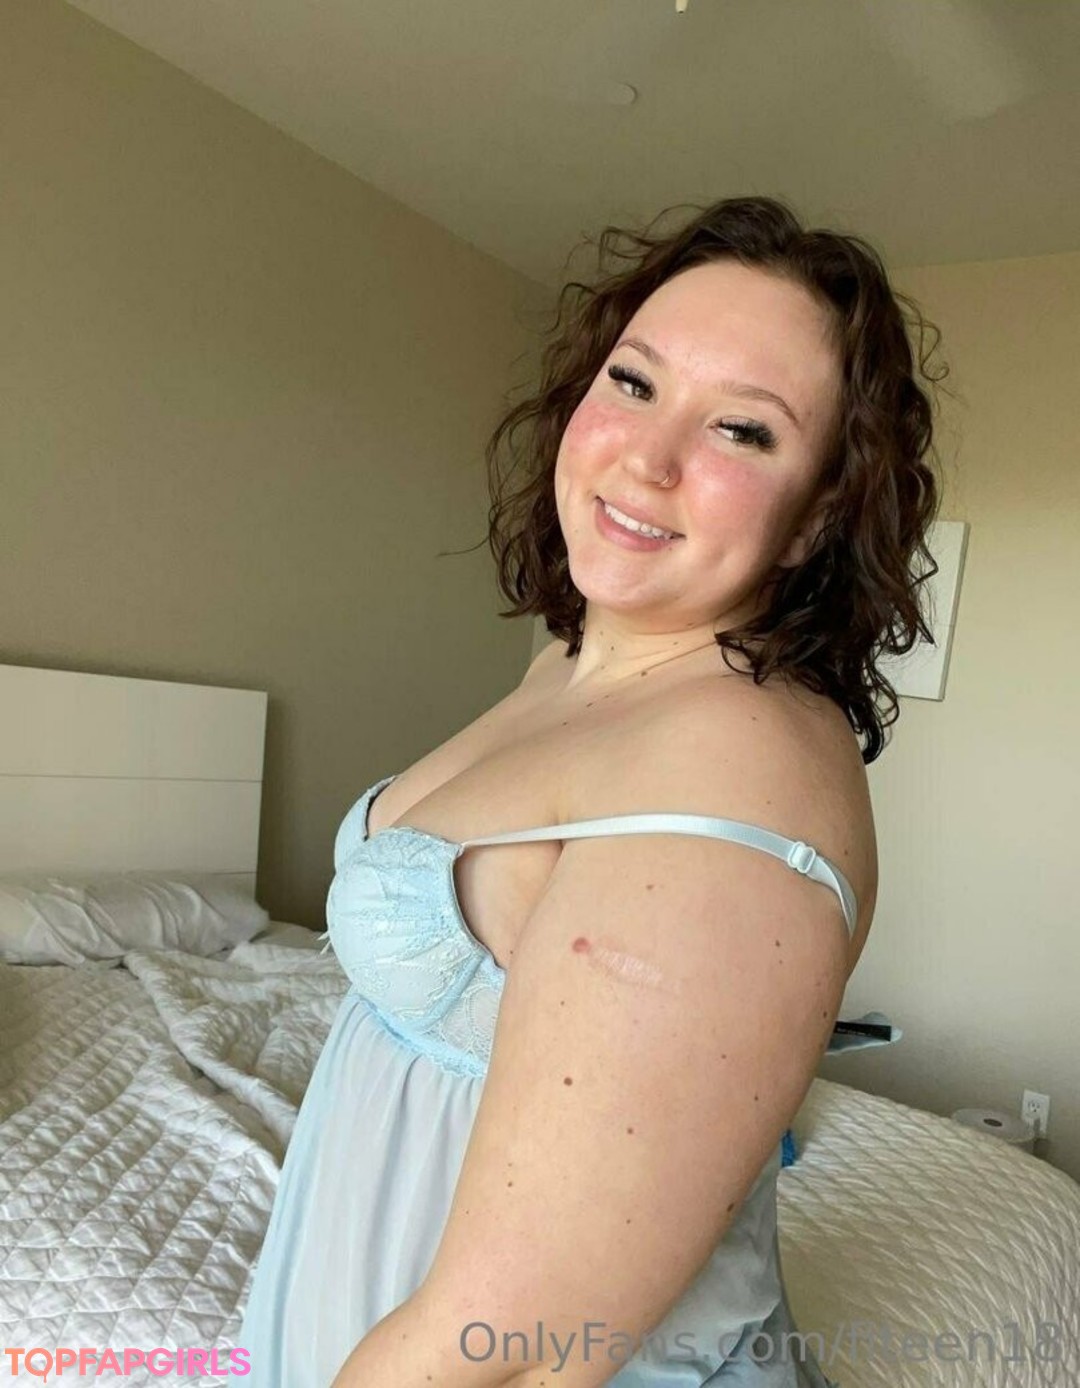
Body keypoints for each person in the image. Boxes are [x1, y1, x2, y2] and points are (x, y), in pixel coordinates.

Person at [237, 194, 944, 1386]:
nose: (648, 457)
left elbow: (514, 1353)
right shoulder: (571, 660)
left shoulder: (742, 766)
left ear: (818, 514)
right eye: (634, 380)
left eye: (743, 430)